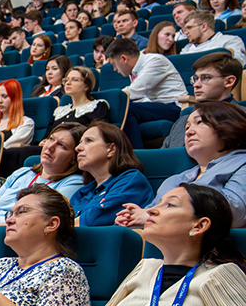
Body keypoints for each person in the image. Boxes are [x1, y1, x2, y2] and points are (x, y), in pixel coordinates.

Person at [80, 184, 246, 306]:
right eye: (158, 203)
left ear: (199, 226)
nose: (151, 210)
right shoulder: (145, 268)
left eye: (170, 205)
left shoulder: (221, 275)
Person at [118, 101, 246, 228]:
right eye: (187, 127)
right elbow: (148, 213)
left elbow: (235, 212)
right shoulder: (175, 179)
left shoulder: (242, 163)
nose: (188, 132)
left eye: (199, 122)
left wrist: (155, 215)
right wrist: (131, 217)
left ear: (228, 125)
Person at [0, 124, 85, 225]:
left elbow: (32, 226)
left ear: (74, 158)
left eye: (62, 145)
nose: (50, 147)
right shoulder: (22, 172)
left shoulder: (74, 183)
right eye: (51, 139)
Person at [107, 38, 187, 148]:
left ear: (123, 58)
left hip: (174, 107)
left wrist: (110, 98)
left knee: (127, 108)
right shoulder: (135, 70)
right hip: (158, 107)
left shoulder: (155, 60)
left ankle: (134, 154)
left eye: (114, 64)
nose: (115, 69)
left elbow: (134, 91)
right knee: (124, 109)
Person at [70, 122, 153, 227]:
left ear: (111, 149)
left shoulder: (131, 181)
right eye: (80, 142)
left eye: (88, 141)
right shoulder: (82, 192)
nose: (78, 148)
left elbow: (94, 220)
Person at [164, 53, 243, 147]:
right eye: (195, 79)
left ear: (229, 81)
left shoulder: (242, 117)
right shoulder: (182, 121)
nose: (196, 85)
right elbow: (162, 157)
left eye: (205, 78)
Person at [46, 67, 110, 133]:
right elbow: (46, 136)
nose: (68, 83)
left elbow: (97, 134)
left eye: (75, 80)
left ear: (87, 86)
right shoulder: (59, 111)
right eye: (66, 80)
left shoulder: (97, 106)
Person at [178, 8, 246, 63]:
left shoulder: (231, 41)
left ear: (204, 27)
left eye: (189, 28)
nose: (186, 32)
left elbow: (238, 67)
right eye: (185, 29)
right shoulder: (186, 49)